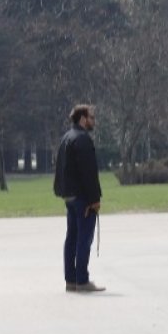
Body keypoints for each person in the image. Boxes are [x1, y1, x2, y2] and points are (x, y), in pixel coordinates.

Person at [53, 104, 105, 292]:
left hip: (69, 197)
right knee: (84, 239)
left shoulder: (66, 137)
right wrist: (94, 199)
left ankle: (71, 280)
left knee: (72, 238)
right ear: (83, 118)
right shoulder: (83, 139)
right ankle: (82, 280)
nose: (93, 121)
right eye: (91, 117)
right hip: (83, 198)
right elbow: (88, 173)